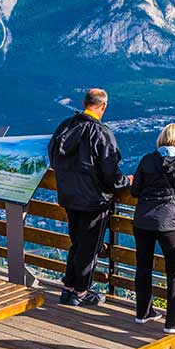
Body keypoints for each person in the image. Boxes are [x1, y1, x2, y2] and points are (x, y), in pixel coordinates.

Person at [48, 88, 126, 306]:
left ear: (84, 103)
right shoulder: (101, 133)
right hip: (95, 201)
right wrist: (125, 182)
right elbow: (110, 172)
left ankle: (68, 287)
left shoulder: (65, 127)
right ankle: (81, 292)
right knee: (89, 247)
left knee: (77, 242)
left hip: (69, 197)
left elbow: (53, 157)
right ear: (103, 106)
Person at [131, 123, 175, 333]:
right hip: (170, 224)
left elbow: (135, 191)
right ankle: (172, 322)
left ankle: (143, 313)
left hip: (143, 221)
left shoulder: (147, 160)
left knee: (143, 266)